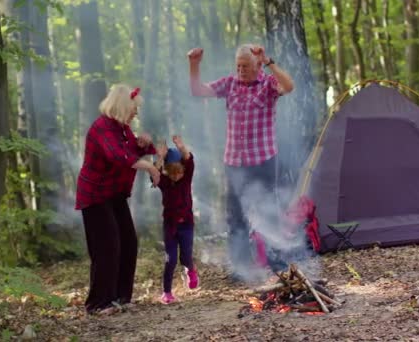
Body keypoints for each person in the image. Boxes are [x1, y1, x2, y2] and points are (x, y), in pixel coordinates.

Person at [187, 44, 295, 279]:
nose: (240, 70)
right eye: (238, 65)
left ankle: (276, 262)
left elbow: (289, 86)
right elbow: (198, 91)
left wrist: (269, 61)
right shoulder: (230, 83)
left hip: (263, 159)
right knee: (236, 216)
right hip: (235, 162)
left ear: (257, 65)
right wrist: (194, 65)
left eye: (245, 66)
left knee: (268, 210)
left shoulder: (267, 84)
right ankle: (242, 267)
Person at [75, 84, 161, 315]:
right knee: (107, 246)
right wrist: (150, 168)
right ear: (123, 106)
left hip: (114, 194)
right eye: (134, 108)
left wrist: (145, 144)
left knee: (128, 242)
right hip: (95, 196)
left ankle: (121, 298)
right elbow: (118, 156)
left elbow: (131, 150)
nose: (136, 113)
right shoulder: (103, 127)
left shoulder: (122, 129)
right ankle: (98, 303)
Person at [154, 135, 199, 304]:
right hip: (170, 226)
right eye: (172, 173)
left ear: (183, 170)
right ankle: (167, 292)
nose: (176, 176)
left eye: (179, 172)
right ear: (167, 171)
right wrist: (160, 156)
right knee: (170, 259)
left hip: (186, 225)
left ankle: (191, 269)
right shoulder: (164, 182)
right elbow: (155, 174)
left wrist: (181, 147)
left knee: (186, 257)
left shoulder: (186, 179)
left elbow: (189, 160)